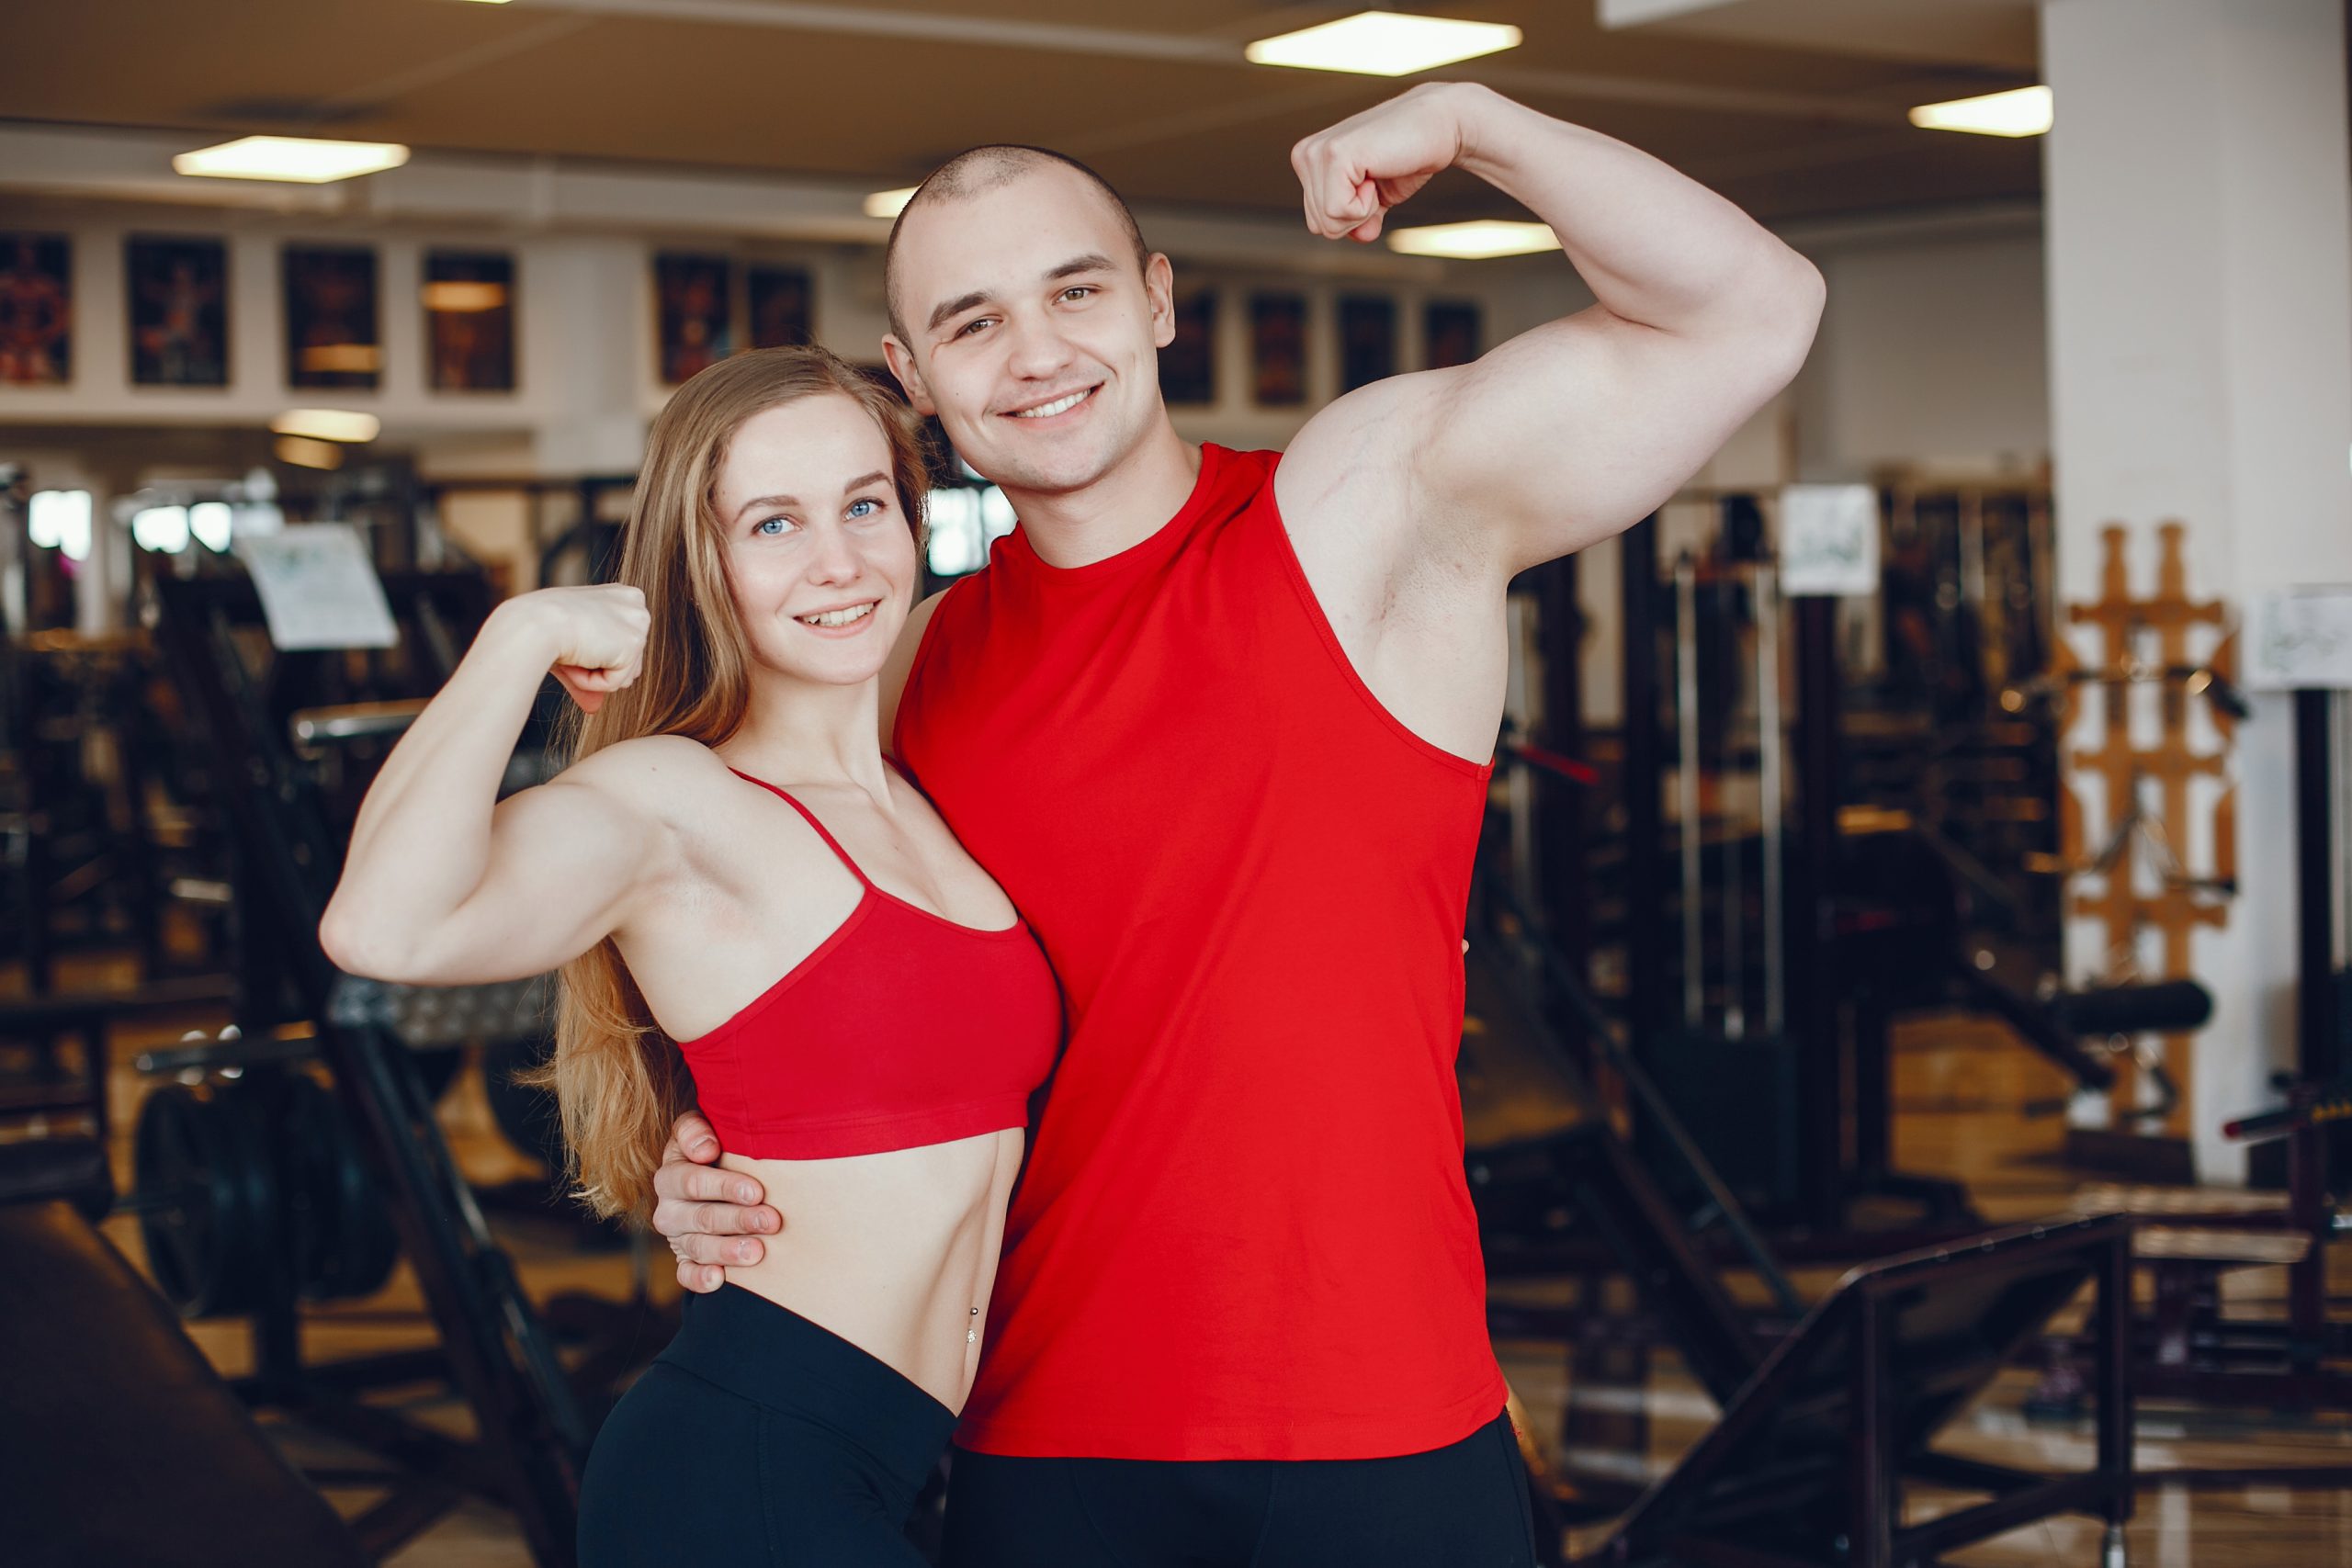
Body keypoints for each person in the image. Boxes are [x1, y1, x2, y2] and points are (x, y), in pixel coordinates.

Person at [653, 82, 1826, 1565]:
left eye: (1076, 291)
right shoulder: (899, 670)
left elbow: (1754, 311)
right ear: (914, 378)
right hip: (1041, 1442)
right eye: (973, 321)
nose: (1036, 353)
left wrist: (1477, 124)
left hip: (1376, 1429)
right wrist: (712, 1157)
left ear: (1156, 300)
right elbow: (782, 967)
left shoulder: (1362, 518)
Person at [318, 345, 1063, 1566]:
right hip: (747, 1470)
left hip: (902, 1462)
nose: (839, 561)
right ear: (700, 562)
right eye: (774, 524)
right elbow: (381, 928)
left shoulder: (922, 792)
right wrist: (518, 637)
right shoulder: (676, 799)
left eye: (864, 505)